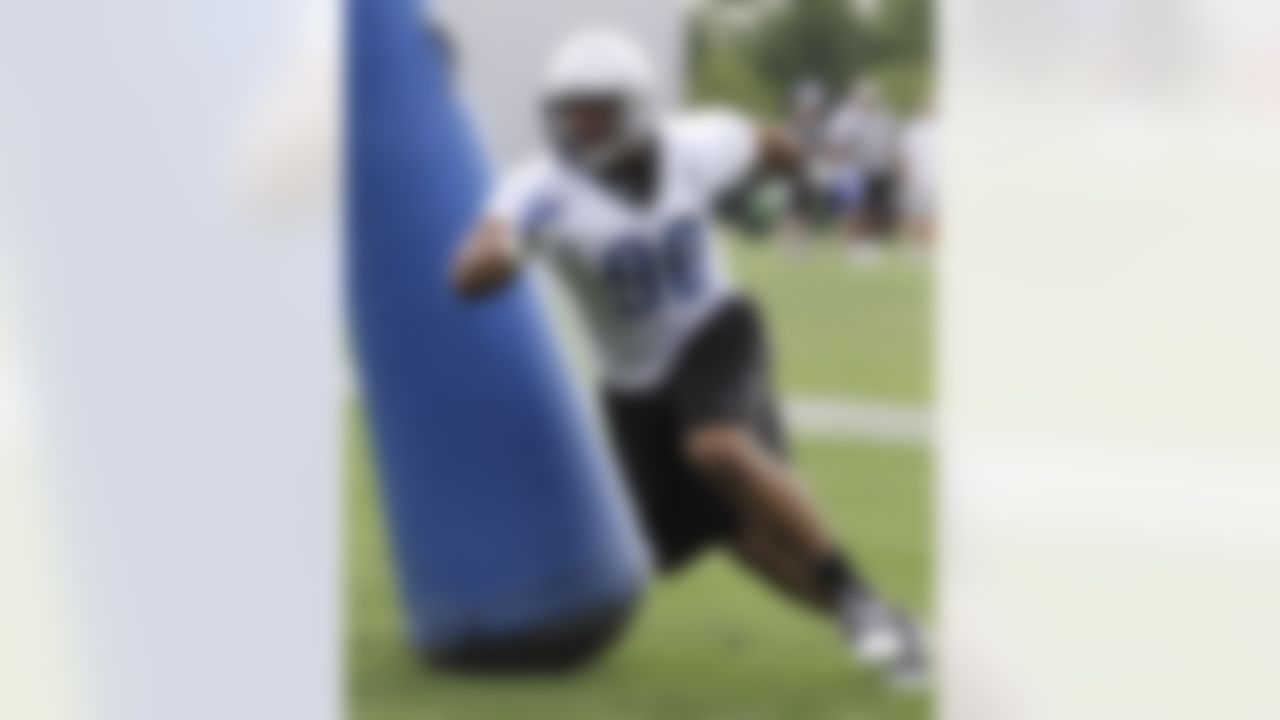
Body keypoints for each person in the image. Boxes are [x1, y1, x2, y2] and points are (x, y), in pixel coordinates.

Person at [450, 28, 926, 687]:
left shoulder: (692, 145)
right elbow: (467, 275)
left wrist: (809, 182)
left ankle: (858, 599)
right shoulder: (539, 187)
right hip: (633, 384)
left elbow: (768, 142)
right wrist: (511, 244)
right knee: (727, 534)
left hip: (714, 326)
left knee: (716, 448)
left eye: (597, 106)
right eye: (570, 106)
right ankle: (880, 621)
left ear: (637, 108)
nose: (580, 122)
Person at [825, 80, 900, 260]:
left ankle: (868, 246)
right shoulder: (846, 118)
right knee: (853, 210)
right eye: (864, 97)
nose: (868, 101)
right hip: (853, 171)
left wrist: (895, 164)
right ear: (857, 98)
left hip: (878, 169)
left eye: (872, 97)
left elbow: (891, 143)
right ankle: (848, 247)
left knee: (875, 210)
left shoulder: (884, 117)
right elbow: (836, 144)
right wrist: (839, 168)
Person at [899, 97, 938, 251]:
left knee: (933, 215)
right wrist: (906, 177)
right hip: (917, 179)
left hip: (937, 180)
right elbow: (905, 156)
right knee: (915, 214)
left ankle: (927, 246)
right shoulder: (915, 130)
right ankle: (913, 246)